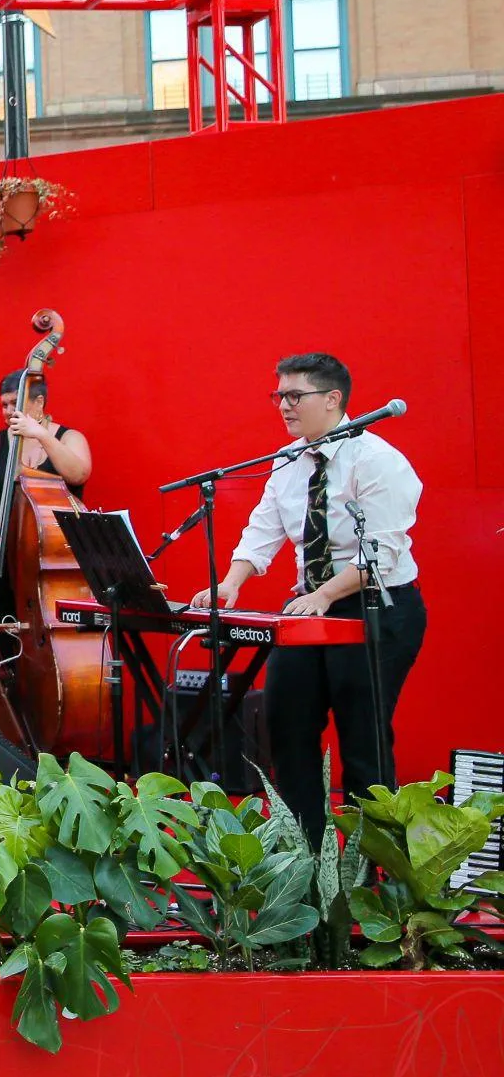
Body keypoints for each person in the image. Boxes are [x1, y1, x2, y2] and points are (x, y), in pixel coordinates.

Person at [189, 354, 423, 842]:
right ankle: (305, 854)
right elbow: (263, 529)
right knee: (287, 725)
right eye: (279, 396)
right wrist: (231, 581)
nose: (284, 406)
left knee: (363, 740)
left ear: (333, 399)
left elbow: (381, 552)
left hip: (373, 606)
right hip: (310, 609)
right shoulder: (289, 459)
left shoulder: (377, 460)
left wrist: (324, 595)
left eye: (295, 396)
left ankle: (368, 866)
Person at [0, 368, 94, 625]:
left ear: (39, 402)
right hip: (0, 551)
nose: (7, 411)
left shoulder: (69, 437)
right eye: (3, 404)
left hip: (54, 556)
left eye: (14, 403)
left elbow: (78, 474)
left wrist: (41, 434)